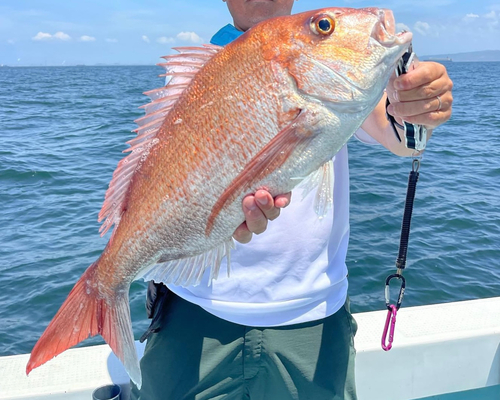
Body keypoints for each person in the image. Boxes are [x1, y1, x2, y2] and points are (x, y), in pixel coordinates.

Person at [131, 1, 453, 399]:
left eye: (324, 26)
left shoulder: (332, 65)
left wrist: (417, 104)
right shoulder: (193, 77)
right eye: (324, 26)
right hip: (193, 312)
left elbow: (400, 137)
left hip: (314, 320)